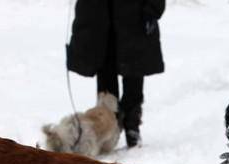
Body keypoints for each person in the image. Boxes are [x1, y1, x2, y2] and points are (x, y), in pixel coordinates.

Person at [66, 0, 165, 148]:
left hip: (135, 16)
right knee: (105, 70)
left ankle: (132, 124)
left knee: (133, 70)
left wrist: (152, 9)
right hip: (99, 16)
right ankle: (107, 129)